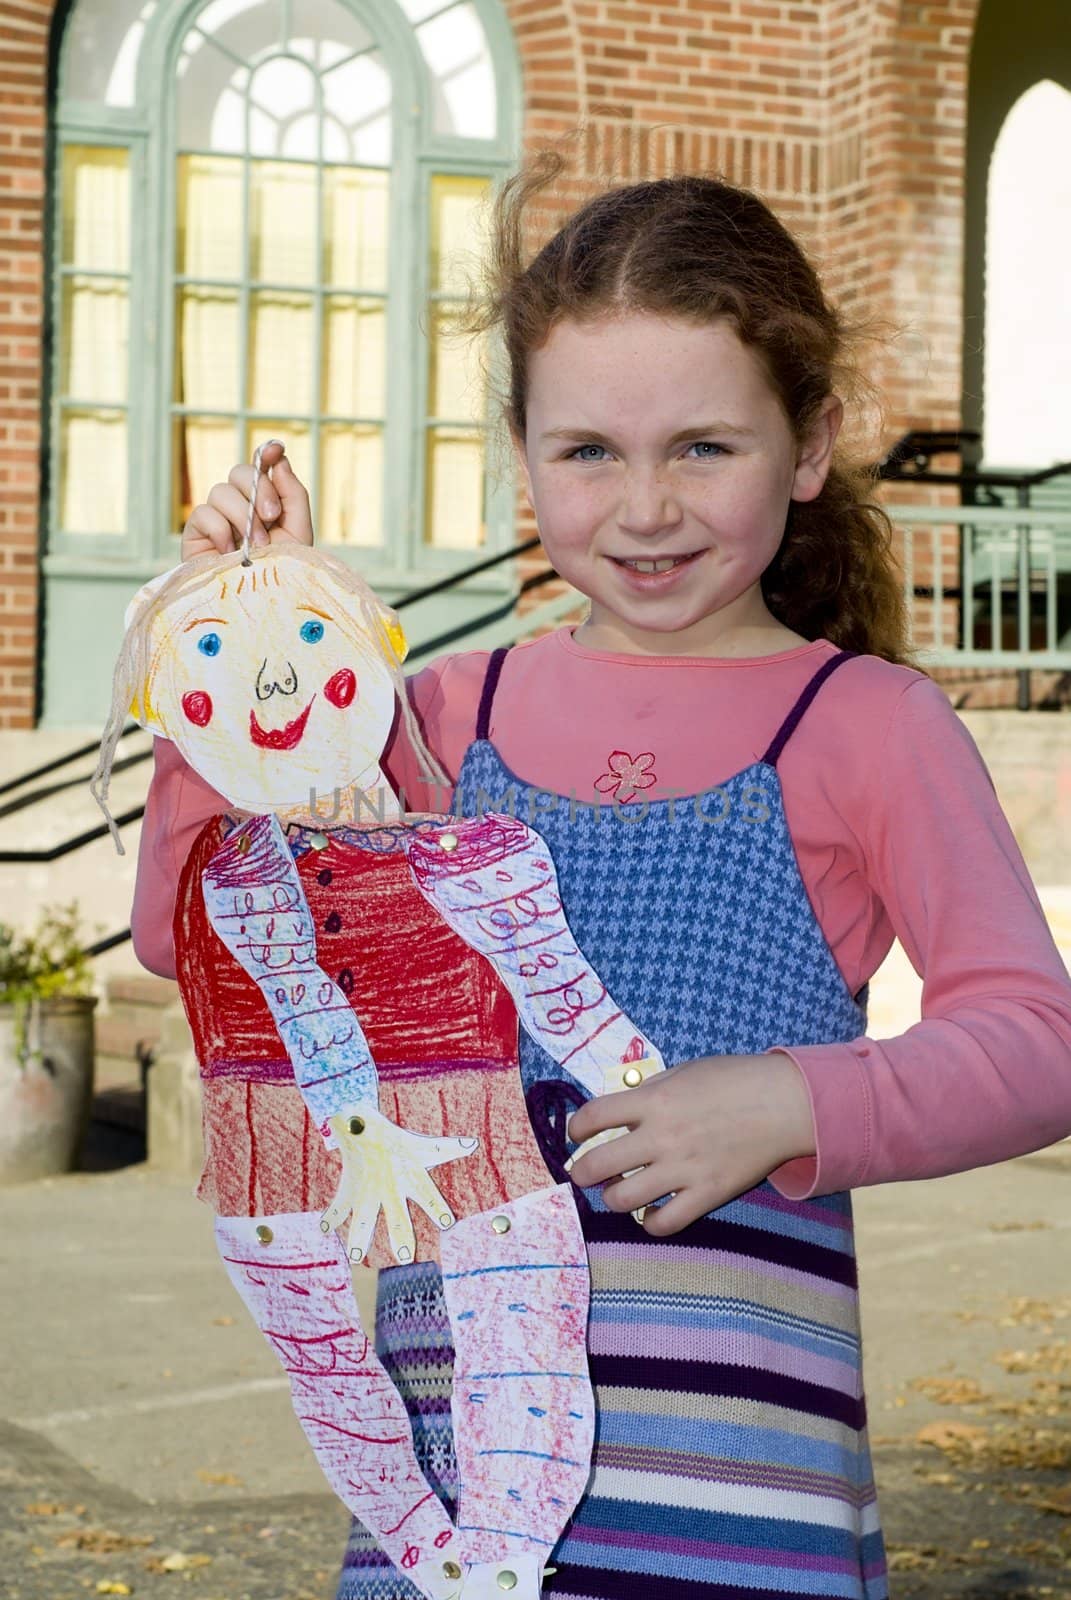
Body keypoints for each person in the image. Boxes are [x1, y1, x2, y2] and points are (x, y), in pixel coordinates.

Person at [131, 153, 1071, 1600]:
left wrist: (792, 1098)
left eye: (705, 446)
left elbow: (1036, 1044)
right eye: (587, 453)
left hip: (738, 1500)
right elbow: (189, 936)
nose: (644, 508)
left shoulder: (868, 728)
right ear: (521, 460)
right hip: (454, 1503)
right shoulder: (437, 721)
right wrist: (244, 662)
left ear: (809, 446)